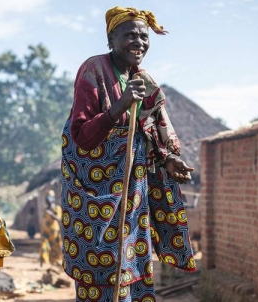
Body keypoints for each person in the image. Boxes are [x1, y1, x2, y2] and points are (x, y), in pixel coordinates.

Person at [60, 6, 197, 301]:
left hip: (133, 198)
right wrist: (119, 105)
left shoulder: (144, 81)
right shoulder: (93, 70)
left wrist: (168, 159)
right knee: (101, 271)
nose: (139, 42)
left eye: (144, 36)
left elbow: (151, 135)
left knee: (133, 265)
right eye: (130, 35)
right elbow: (82, 137)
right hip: (95, 197)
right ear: (111, 39)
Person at [39, 189, 64, 267]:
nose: (47, 201)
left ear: (52, 199)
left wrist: (51, 214)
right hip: (45, 232)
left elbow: (59, 219)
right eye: (46, 199)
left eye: (49, 199)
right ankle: (43, 264)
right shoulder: (45, 209)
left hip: (54, 232)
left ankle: (54, 264)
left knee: (55, 249)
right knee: (44, 246)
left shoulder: (57, 208)